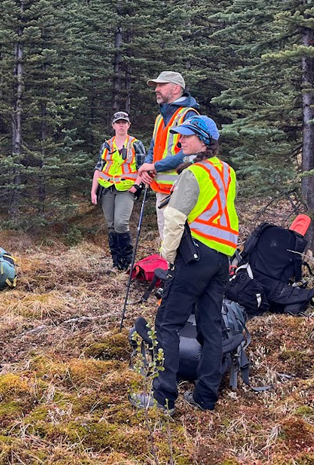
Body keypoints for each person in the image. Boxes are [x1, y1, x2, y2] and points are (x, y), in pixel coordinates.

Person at [130, 115, 239, 414]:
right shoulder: (226, 171)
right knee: (210, 326)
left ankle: (162, 399)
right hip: (221, 259)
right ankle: (206, 398)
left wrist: (167, 260)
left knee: (167, 323)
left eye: (187, 137)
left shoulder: (194, 174)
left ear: (203, 141)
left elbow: (175, 219)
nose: (180, 141)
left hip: (195, 258)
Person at [135, 71, 199, 241]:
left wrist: (154, 166)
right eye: (156, 85)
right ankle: (169, 267)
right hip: (161, 191)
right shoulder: (160, 118)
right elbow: (153, 149)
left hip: (180, 190)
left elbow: (187, 154)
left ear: (176, 88)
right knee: (167, 239)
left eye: (162, 85)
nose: (157, 89)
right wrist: (148, 168)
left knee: (181, 240)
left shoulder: (188, 115)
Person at [91, 111, 146, 271]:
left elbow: (142, 168)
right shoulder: (107, 145)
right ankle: (117, 263)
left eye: (124, 122)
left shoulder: (136, 144)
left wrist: (136, 185)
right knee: (111, 225)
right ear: (113, 125)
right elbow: (99, 168)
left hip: (126, 189)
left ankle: (127, 262)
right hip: (107, 188)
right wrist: (94, 191)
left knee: (121, 223)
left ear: (128, 125)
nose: (121, 125)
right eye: (118, 122)